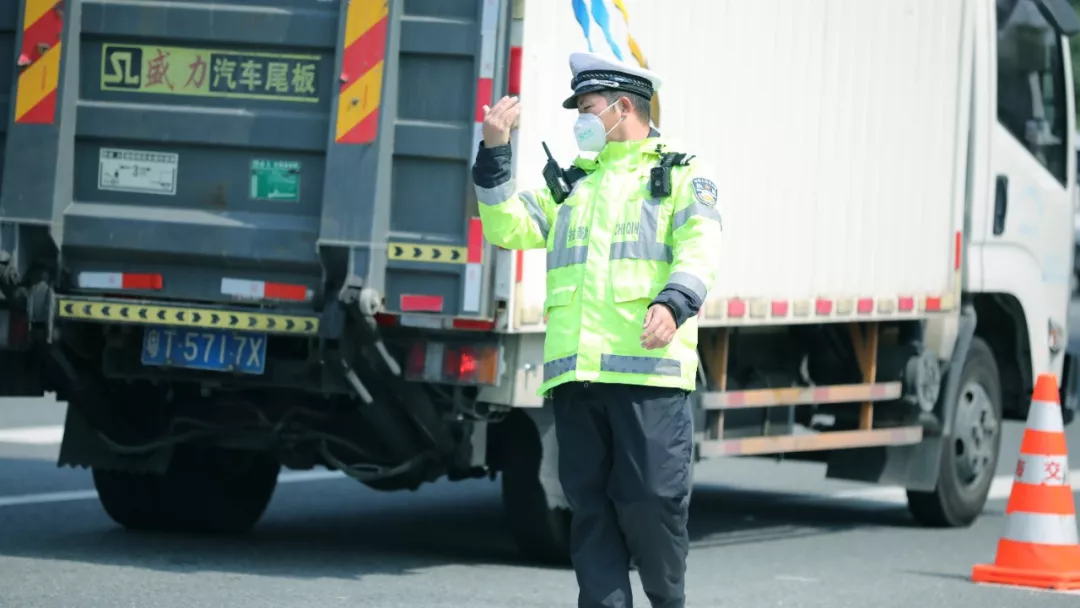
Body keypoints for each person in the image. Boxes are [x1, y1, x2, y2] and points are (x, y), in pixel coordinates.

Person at [472, 51, 722, 608]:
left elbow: (702, 250)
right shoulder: (573, 185)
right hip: (578, 377)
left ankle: (666, 599)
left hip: (650, 374)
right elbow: (507, 226)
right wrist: (494, 151)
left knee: (651, 501)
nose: (579, 120)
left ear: (622, 106)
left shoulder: (681, 174)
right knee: (592, 512)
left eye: (586, 108)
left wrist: (675, 301)